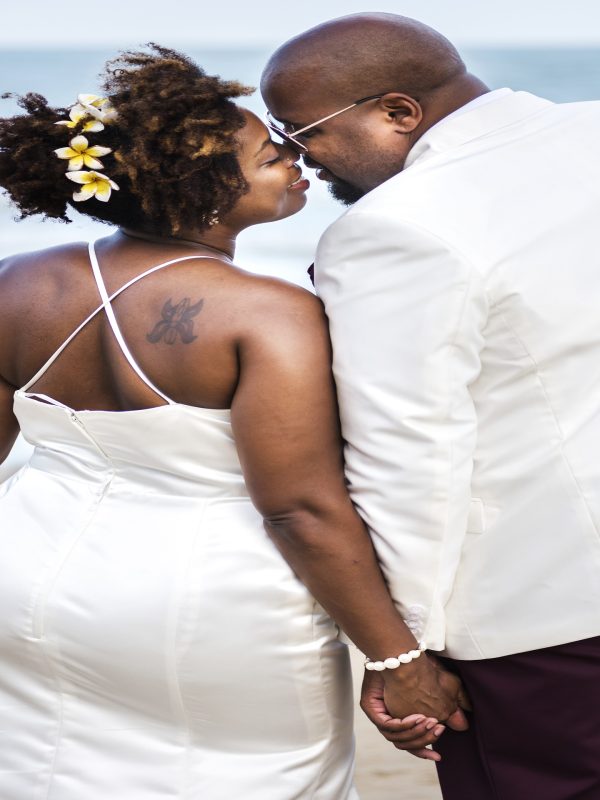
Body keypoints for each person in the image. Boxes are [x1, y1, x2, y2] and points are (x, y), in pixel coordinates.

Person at [0, 45, 468, 800]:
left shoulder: (19, 282)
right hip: (207, 605)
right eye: (266, 151)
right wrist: (395, 660)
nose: (294, 155)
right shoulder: (266, 314)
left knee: (53, 772)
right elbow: (300, 509)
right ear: (205, 189)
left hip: (25, 581)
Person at [261, 12, 600, 800]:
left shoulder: (396, 227)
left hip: (545, 616)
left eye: (304, 131)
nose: (297, 158)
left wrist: (401, 652)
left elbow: (410, 453)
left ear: (398, 112)